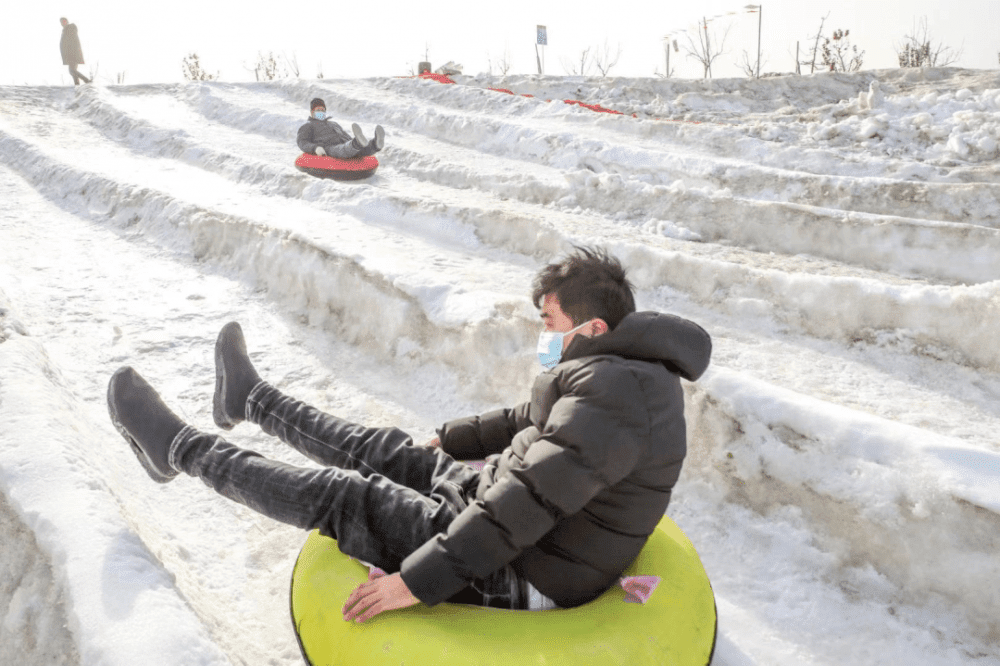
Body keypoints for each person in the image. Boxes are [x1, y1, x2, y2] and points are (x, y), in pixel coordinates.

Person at [106, 247, 712, 623]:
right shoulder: (613, 376)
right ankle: (252, 400)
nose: (543, 334)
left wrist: (418, 582)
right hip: (505, 514)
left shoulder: (618, 398)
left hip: (530, 568)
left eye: (549, 322)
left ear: (594, 326)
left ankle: (179, 452)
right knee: (386, 450)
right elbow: (531, 421)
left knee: (349, 496)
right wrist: (451, 440)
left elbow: (529, 500)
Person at [296, 98, 384, 159]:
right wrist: (315, 148)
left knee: (361, 150)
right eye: (318, 110)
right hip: (328, 147)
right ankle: (357, 143)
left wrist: (351, 140)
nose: (321, 112)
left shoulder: (333, 124)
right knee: (342, 149)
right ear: (312, 112)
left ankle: (375, 144)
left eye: (323, 110)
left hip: (344, 143)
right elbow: (302, 142)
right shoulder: (307, 126)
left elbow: (344, 135)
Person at [59, 17, 91, 85]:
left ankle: (87, 81)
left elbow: (71, 40)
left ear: (67, 21)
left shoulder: (70, 28)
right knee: (73, 71)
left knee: (72, 71)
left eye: (64, 21)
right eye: (61, 22)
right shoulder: (65, 30)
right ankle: (77, 85)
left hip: (73, 54)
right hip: (70, 54)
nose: (63, 23)